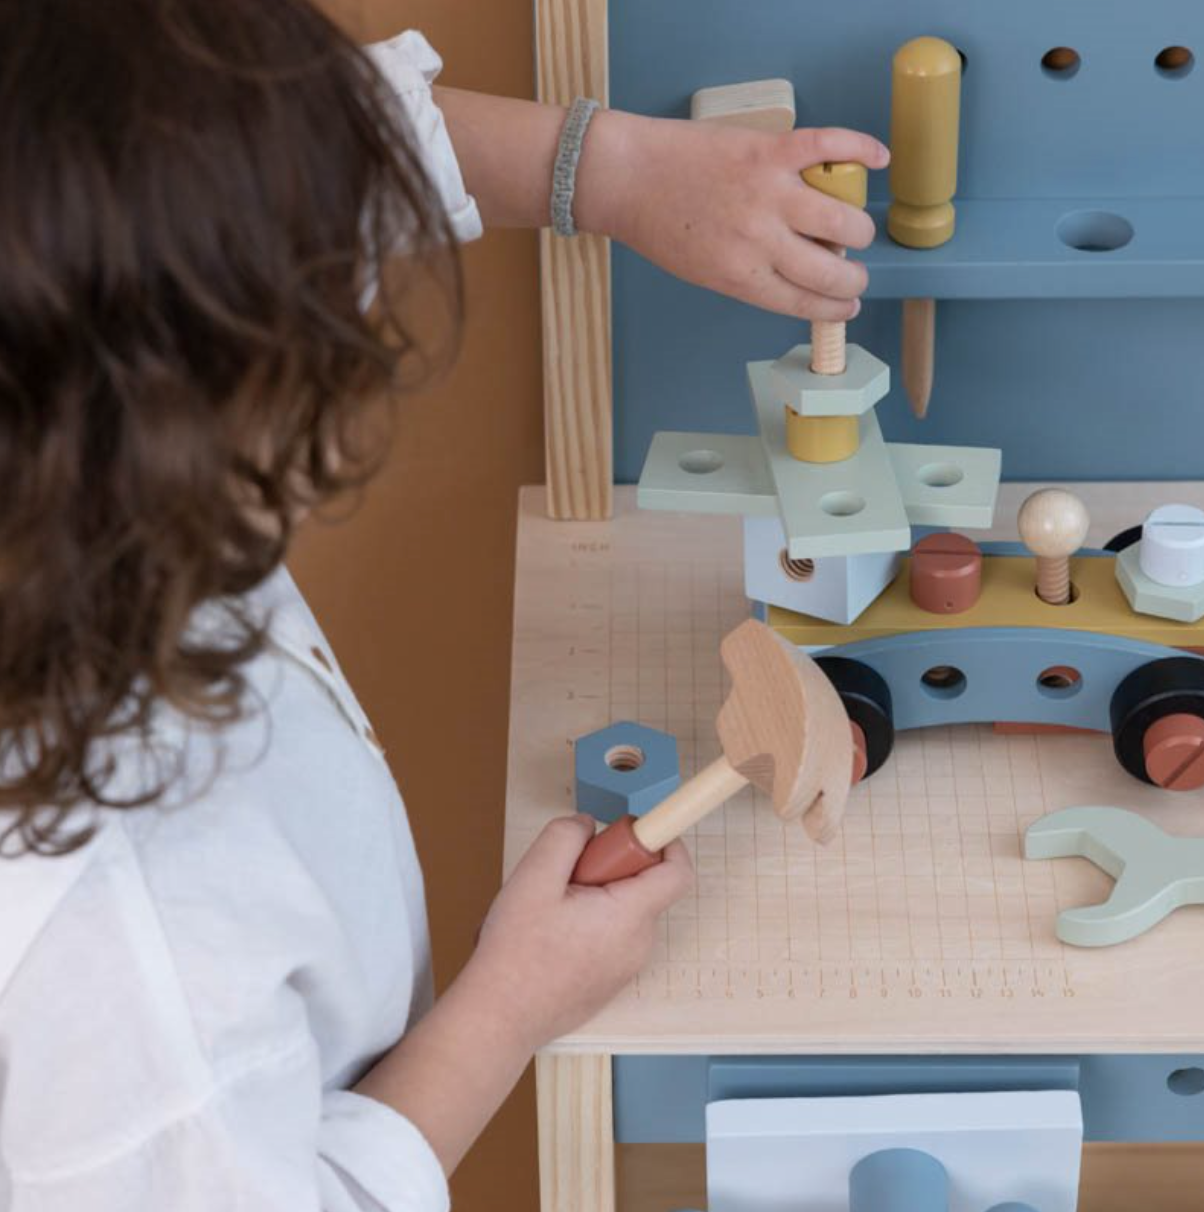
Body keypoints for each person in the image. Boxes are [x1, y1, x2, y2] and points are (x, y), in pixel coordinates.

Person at [0, 3, 887, 1209]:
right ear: (192, 405)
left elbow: (320, 153)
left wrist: (612, 170)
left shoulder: (71, 404)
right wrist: (510, 1003)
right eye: (317, 323)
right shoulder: (120, 938)